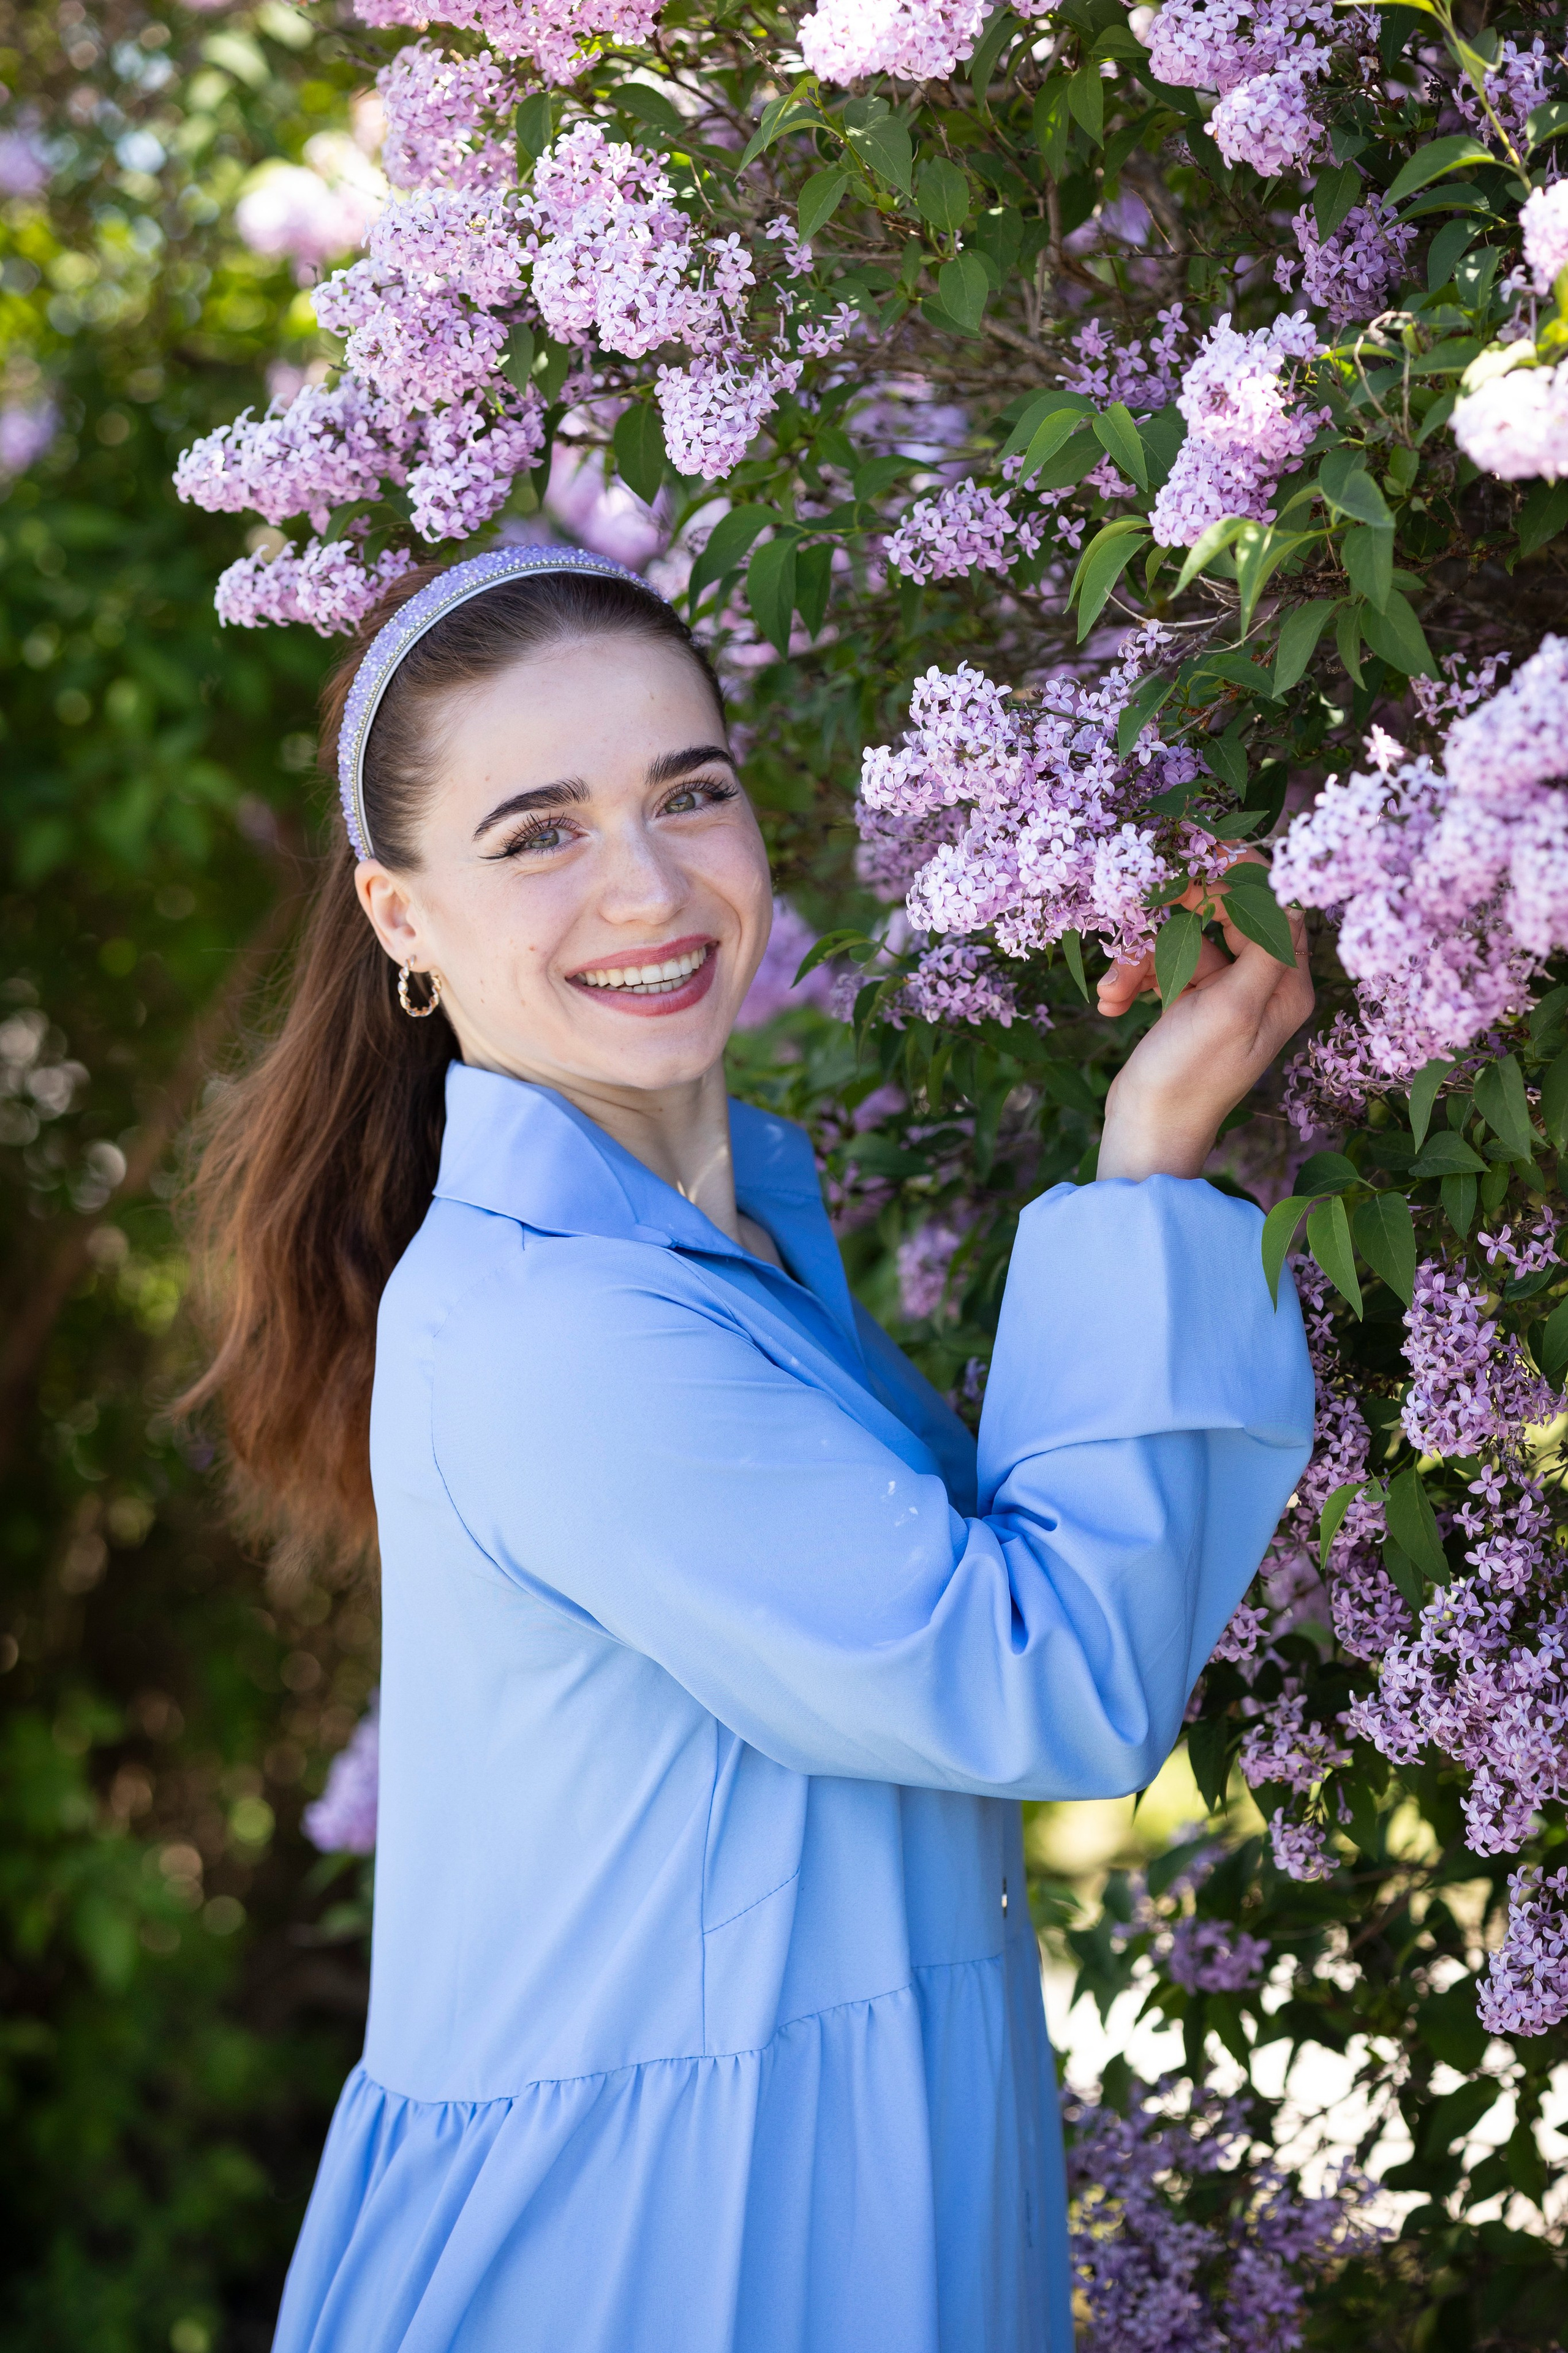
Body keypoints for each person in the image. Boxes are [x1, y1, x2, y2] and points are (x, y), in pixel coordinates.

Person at [187, 543, 1316, 2353]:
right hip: (659, 2255)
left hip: (795, 2189)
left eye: (687, 792)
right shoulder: (561, 1327)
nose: (648, 886)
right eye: (538, 832)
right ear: (403, 918)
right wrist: (1150, 1159)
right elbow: (1045, 1676)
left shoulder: (714, 1243)